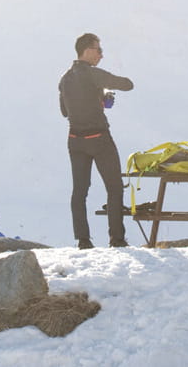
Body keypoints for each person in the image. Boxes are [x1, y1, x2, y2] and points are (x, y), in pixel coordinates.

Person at [59, 32, 134, 249]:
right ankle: (117, 239)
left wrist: (95, 99)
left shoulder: (64, 79)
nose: (101, 55)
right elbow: (127, 84)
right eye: (99, 50)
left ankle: (83, 240)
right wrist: (104, 95)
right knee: (114, 187)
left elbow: (65, 111)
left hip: (75, 140)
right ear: (88, 50)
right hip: (99, 138)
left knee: (80, 190)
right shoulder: (93, 74)